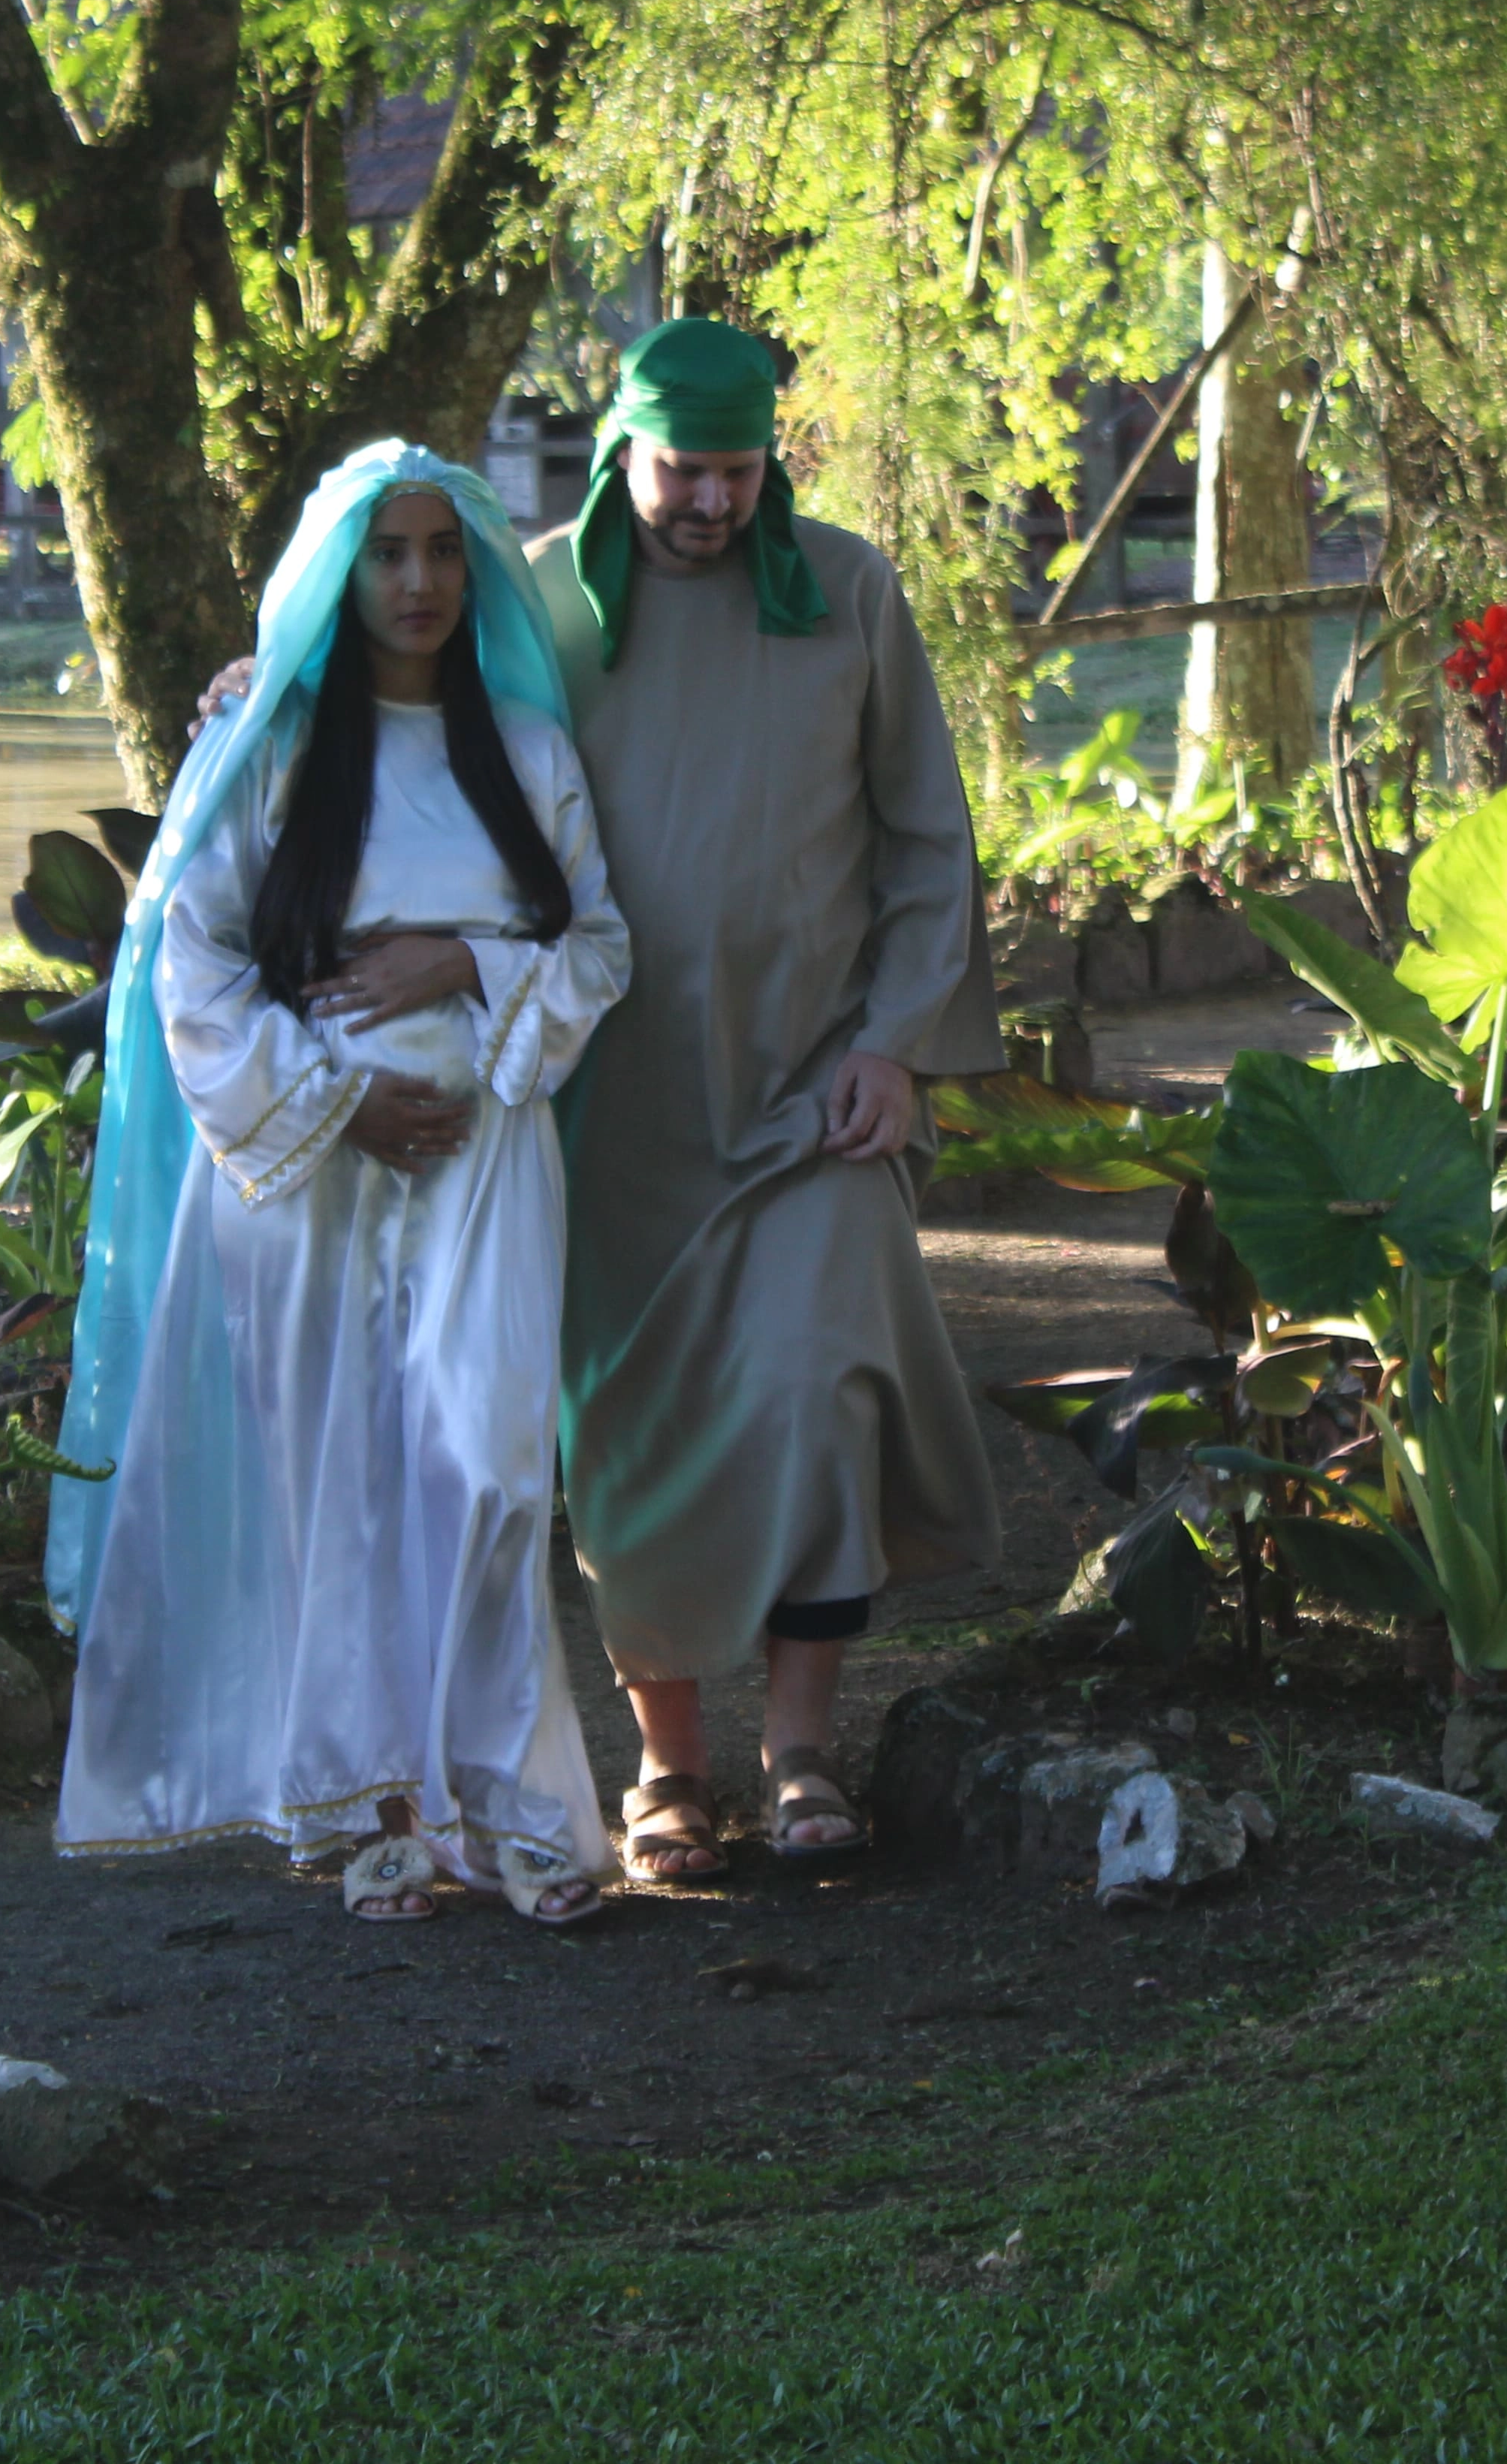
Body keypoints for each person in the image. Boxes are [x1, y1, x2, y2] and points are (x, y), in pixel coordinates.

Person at [45, 442, 631, 1926]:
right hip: (311, 1172)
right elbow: (192, 962)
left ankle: (508, 1806)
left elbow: (601, 948)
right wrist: (340, 1101)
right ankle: (370, 1813)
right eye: (388, 554)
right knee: (344, 1483)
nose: (421, 581)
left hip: (493, 1151)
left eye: (443, 551)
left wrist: (470, 963)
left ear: (476, 567)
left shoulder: (530, 752)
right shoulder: (271, 750)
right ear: (340, 573)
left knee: (494, 1466)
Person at [526, 318, 1005, 1883]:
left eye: (737, 471)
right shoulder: (534, 603)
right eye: (682, 470)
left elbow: (928, 839)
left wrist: (896, 1044)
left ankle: (802, 1751)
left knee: (816, 1389)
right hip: (613, 1117)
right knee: (633, 1444)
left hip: (818, 1096)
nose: (711, 504)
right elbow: (400, 715)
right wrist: (266, 684)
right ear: (622, 449)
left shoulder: (850, 591)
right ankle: (671, 1773)